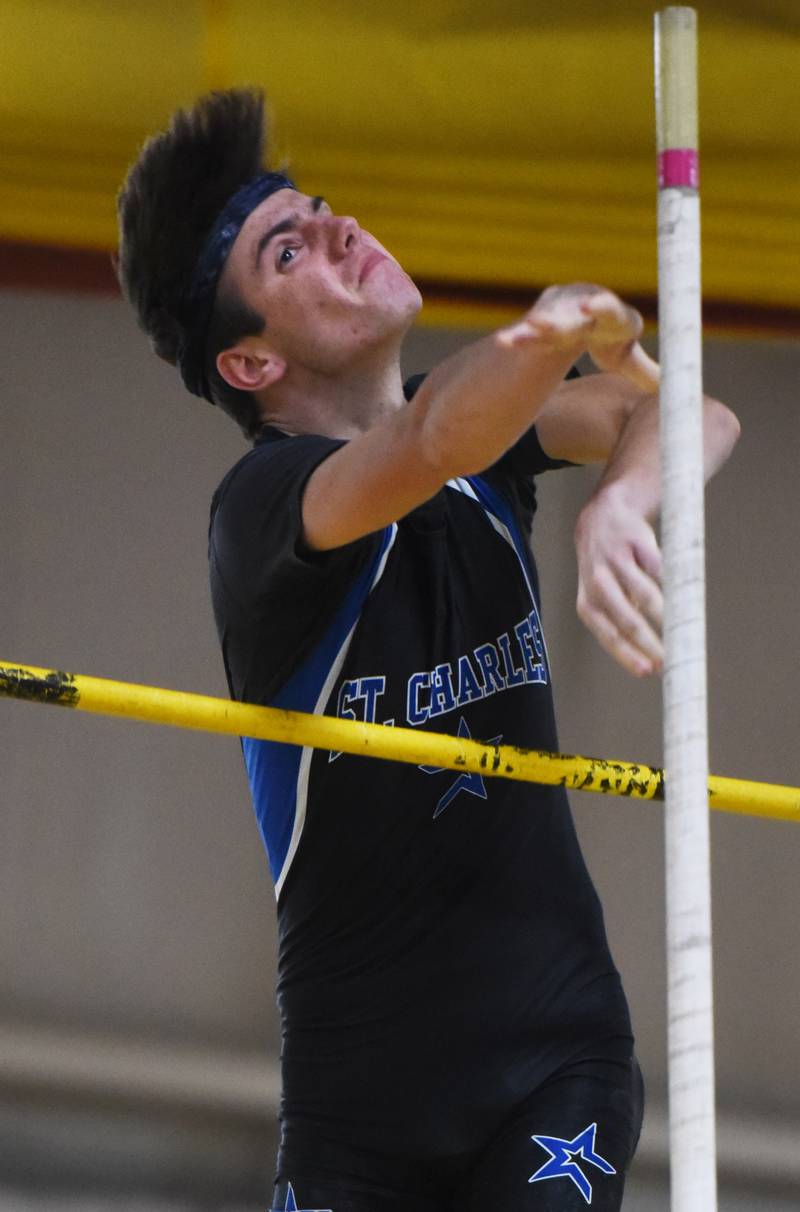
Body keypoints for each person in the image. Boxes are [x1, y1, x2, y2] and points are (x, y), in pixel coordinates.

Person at [116, 89, 739, 1212]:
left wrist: (619, 506)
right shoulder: (262, 511)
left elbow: (697, 414)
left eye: (323, 210)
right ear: (251, 365)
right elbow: (428, 434)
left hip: (555, 1063)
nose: (345, 232)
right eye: (290, 249)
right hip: (357, 1120)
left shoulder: (487, 449)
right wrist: (539, 334)